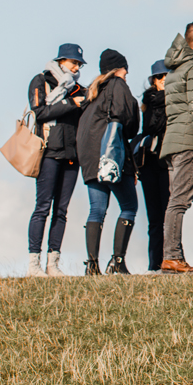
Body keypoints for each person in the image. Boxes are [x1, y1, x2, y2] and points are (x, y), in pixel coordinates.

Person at [76, 50, 141, 275]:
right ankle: (117, 261)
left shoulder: (92, 93)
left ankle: (92, 264)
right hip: (111, 157)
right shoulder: (118, 85)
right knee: (129, 207)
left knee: (97, 210)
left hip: (89, 158)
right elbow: (128, 123)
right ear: (121, 69)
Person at [26, 43, 88, 277]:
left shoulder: (80, 88)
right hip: (49, 152)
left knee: (61, 211)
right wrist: (71, 104)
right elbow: (39, 112)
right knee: (42, 207)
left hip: (72, 155)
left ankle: (53, 264)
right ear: (61, 61)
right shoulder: (41, 81)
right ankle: (34, 264)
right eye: (73, 62)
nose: (76, 66)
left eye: (79, 64)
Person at [159, 22, 193, 274]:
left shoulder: (174, 70)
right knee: (179, 202)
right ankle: (171, 257)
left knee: (175, 200)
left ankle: (173, 256)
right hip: (189, 143)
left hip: (172, 142)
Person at [138, 61, 170, 273]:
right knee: (155, 218)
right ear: (153, 80)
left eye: (167, 76)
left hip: (167, 162)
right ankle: (154, 264)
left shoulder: (174, 102)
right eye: (160, 77)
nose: (164, 81)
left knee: (170, 214)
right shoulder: (148, 102)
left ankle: (172, 259)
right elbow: (149, 128)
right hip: (150, 163)